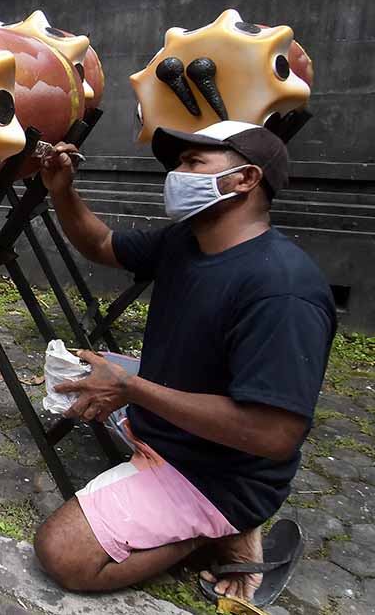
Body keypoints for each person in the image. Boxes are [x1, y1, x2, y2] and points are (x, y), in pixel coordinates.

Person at [31, 121, 335, 604]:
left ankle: (220, 533)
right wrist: (62, 190)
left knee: (63, 553)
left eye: (194, 163)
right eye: (178, 163)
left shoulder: (283, 291)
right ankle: (180, 493)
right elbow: (101, 244)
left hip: (218, 473)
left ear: (245, 179)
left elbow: (274, 436)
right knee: (84, 371)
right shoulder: (186, 243)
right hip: (166, 427)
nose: (177, 173)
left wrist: (131, 389)